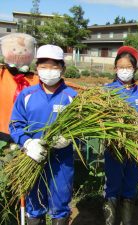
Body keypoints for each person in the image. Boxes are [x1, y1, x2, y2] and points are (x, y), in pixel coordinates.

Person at [9, 44, 77, 225]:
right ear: (37, 67)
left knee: (60, 207)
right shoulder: (26, 95)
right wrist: (28, 143)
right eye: (44, 66)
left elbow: (81, 129)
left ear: (62, 68)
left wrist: (70, 138)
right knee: (34, 205)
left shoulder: (72, 97)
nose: (49, 71)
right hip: (33, 160)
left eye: (54, 66)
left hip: (62, 163)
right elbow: (16, 125)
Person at [103, 46, 138, 225]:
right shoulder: (106, 91)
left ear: (134, 69)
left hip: (135, 146)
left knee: (130, 185)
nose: (124, 70)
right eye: (121, 67)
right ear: (115, 68)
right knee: (112, 185)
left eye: (128, 67)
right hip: (114, 146)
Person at [0, 33, 39, 144]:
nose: (19, 52)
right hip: (3, 131)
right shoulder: (2, 74)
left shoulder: (35, 79)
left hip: (28, 135)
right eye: (14, 49)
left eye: (25, 49)